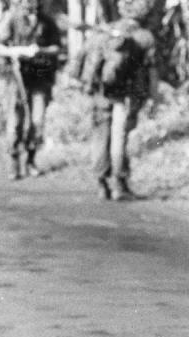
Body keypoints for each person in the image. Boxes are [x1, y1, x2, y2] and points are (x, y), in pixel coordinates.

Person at [78, 0, 159, 201]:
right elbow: (151, 70)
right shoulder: (145, 37)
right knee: (119, 138)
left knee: (100, 135)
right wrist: (152, 96)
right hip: (127, 94)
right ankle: (119, 183)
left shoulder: (106, 31)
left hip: (102, 92)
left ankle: (101, 183)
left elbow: (83, 57)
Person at [0, 0, 62, 180]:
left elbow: (56, 47)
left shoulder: (47, 21)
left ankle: (30, 160)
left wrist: (40, 50)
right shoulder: (12, 19)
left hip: (40, 77)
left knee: (37, 121)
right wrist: (17, 51)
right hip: (15, 77)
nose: (32, 8)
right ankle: (14, 161)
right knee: (15, 121)